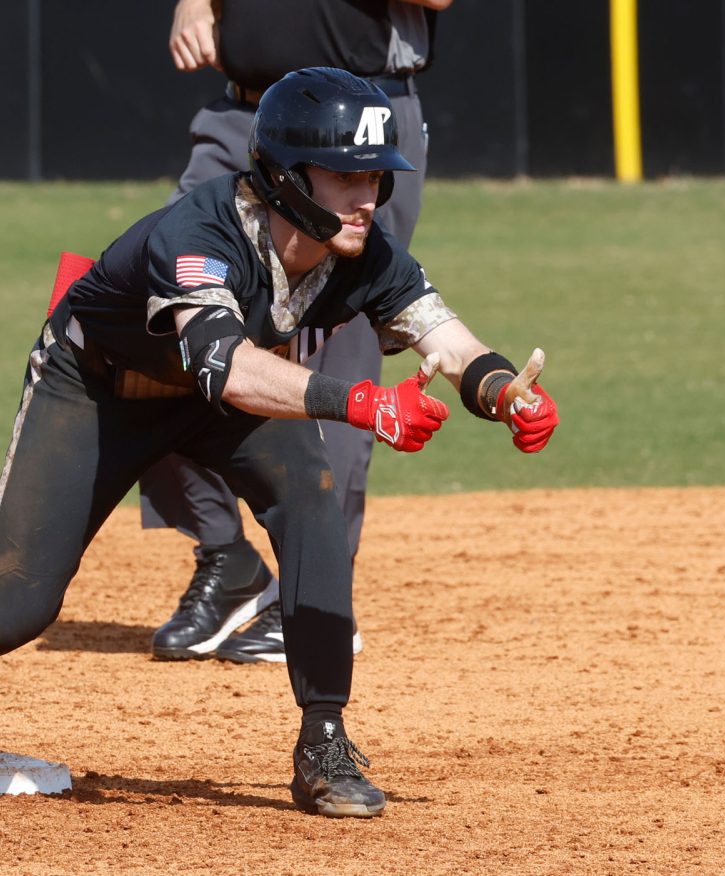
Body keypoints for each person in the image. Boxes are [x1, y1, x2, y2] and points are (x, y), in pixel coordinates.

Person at [0, 68, 558, 818]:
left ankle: (324, 740)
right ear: (288, 178)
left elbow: (442, 337)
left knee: (311, 496)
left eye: (377, 177)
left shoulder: (361, 249)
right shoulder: (199, 231)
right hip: (101, 387)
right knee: (18, 610)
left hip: (224, 394)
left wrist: (502, 391)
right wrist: (358, 401)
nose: (369, 195)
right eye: (346, 175)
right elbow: (224, 368)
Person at [148, 0, 456, 665]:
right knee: (147, 322)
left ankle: (318, 601)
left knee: (334, 349)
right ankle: (225, 558)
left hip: (358, 128)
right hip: (245, 118)